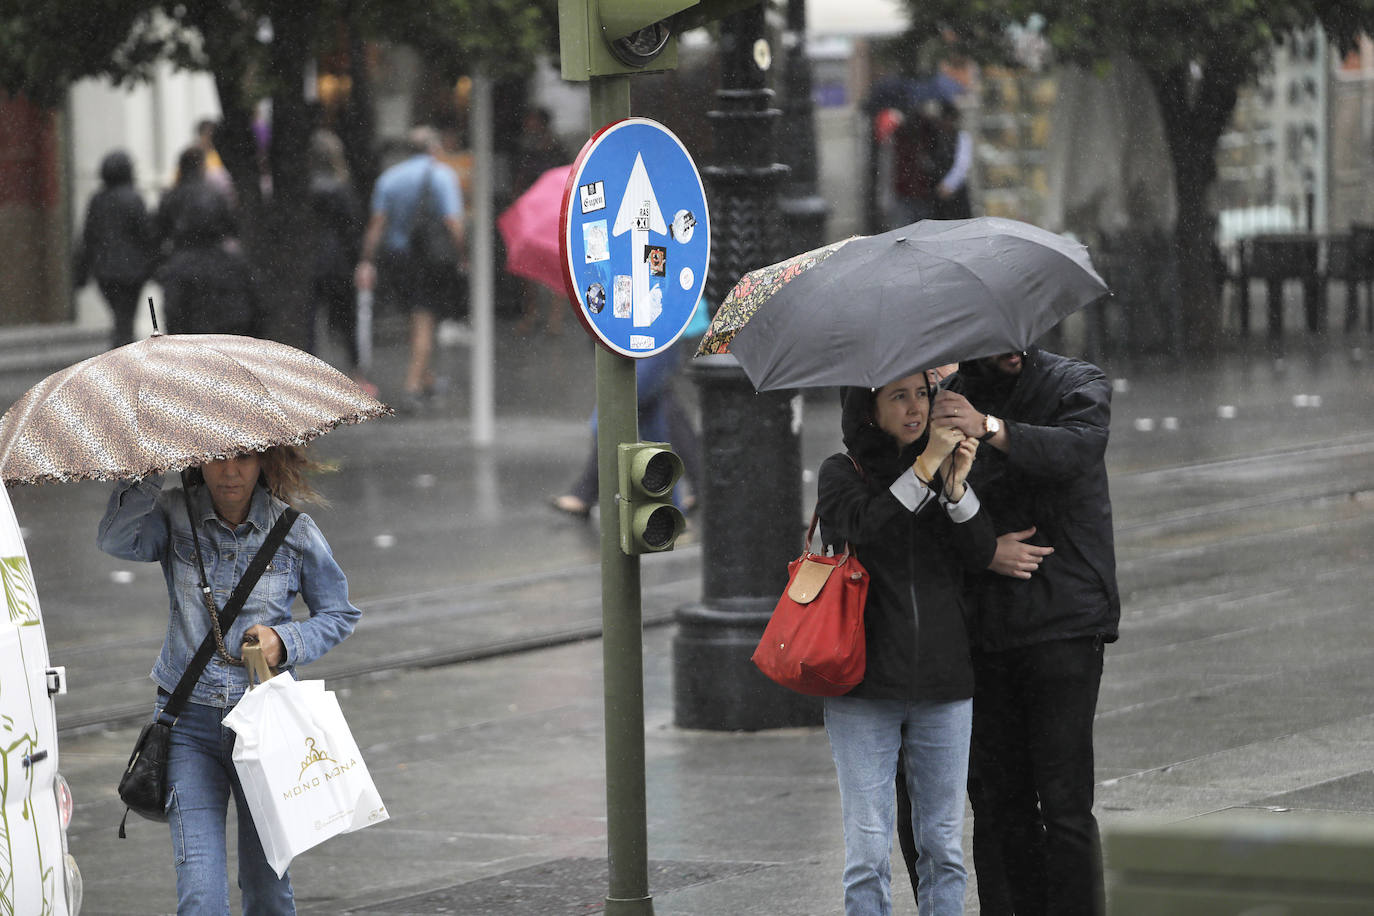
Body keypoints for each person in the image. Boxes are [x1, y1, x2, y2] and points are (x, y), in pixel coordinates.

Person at [96, 446, 362, 914]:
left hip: (266, 730)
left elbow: (339, 613)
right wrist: (150, 467)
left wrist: (286, 639)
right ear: (198, 460)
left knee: (267, 890)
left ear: (264, 461)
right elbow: (117, 540)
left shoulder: (294, 531)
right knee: (200, 897)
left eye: (243, 457)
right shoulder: (175, 515)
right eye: (217, 457)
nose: (230, 471)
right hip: (187, 729)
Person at [927, 348, 1119, 916]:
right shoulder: (950, 398)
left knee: (1063, 803)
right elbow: (933, 507)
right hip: (986, 625)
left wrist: (991, 429)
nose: (1007, 341)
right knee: (998, 803)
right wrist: (985, 552)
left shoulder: (1075, 382)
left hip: (1064, 619)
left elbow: (1076, 450)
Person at [816, 372, 996, 916]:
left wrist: (958, 486)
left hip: (944, 683)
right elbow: (870, 528)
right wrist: (922, 472)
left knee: (943, 848)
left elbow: (980, 550)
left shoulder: (941, 467)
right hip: (865, 684)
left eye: (922, 394)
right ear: (870, 407)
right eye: (899, 397)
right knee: (868, 853)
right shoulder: (840, 473)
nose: (915, 409)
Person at [355, 126, 466, 413]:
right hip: (429, 260)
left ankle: (426, 377)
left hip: (398, 259)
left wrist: (366, 259)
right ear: (434, 149)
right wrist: (463, 255)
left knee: (415, 319)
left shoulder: (389, 179)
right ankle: (413, 385)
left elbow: (377, 225)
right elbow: (453, 222)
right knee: (424, 320)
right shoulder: (442, 175)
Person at [307, 129, 373, 394]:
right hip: (338, 262)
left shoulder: (304, 189)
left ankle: (307, 378)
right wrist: (360, 260)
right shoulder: (341, 188)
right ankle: (357, 374)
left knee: (309, 322)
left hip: (310, 261)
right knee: (347, 321)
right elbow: (352, 229)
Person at [74, 150, 156, 348]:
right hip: (132, 272)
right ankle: (123, 355)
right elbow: (147, 234)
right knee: (125, 318)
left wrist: (81, 271)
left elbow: (88, 237)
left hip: (105, 272)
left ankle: (121, 351)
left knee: (121, 318)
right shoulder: (133, 198)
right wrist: (154, 263)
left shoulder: (98, 200)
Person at [155, 190, 260, 336]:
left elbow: (173, 316)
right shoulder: (235, 265)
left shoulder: (178, 267)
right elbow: (255, 312)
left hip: (193, 347)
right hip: (231, 345)